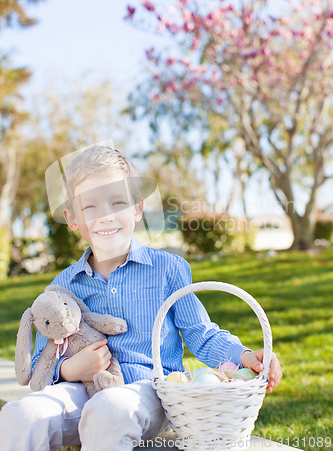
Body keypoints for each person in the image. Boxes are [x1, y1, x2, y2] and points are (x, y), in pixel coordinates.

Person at [0, 145, 282, 451]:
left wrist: (243, 355)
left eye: (117, 202)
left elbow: (200, 333)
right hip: (80, 389)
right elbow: (45, 355)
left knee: (109, 409)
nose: (106, 216)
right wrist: (70, 369)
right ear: (72, 218)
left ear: (137, 208)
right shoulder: (63, 285)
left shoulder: (168, 269)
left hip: (147, 391)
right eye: (90, 206)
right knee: (20, 415)